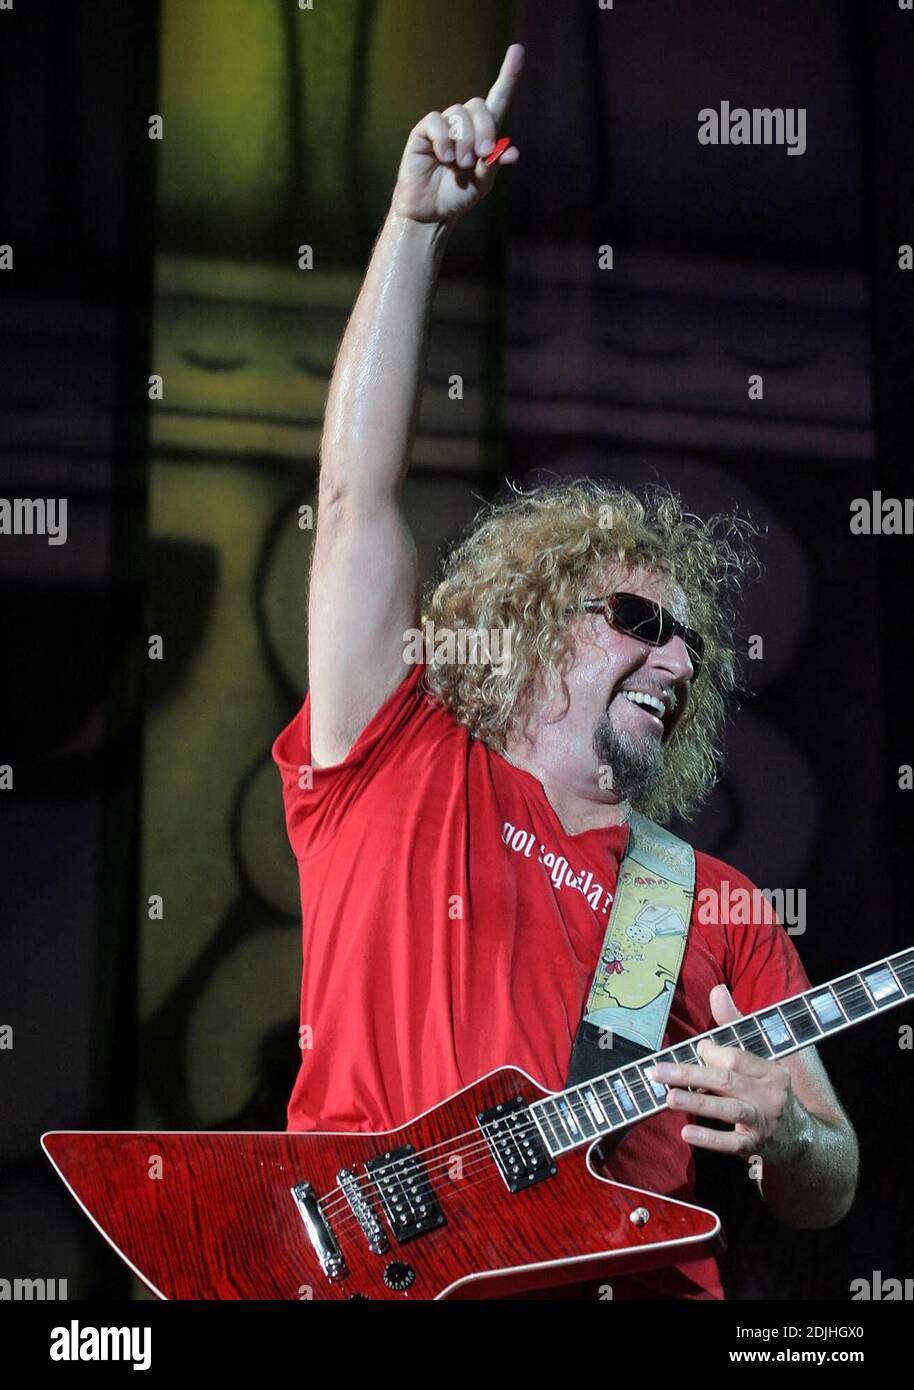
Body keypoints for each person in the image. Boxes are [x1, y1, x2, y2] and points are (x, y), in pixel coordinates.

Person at [272, 42, 858, 1300]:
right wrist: (412, 228)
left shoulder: (706, 903)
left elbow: (827, 1175)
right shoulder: (393, 750)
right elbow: (354, 494)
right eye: (640, 616)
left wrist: (791, 1132)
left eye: (695, 644)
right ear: (533, 620)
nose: (677, 657)